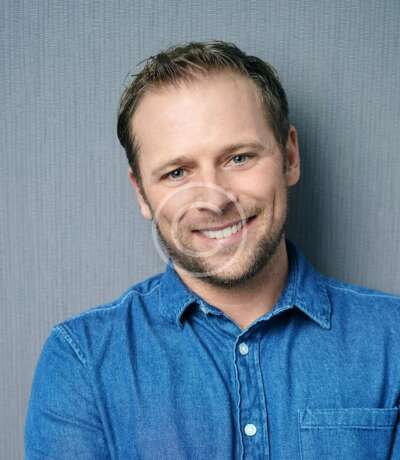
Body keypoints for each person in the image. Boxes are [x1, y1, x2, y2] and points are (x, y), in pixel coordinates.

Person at [25, 41, 400, 459]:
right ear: (142, 193)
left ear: (289, 157)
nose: (215, 200)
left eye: (238, 158)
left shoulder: (393, 339)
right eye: (177, 172)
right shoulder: (83, 361)